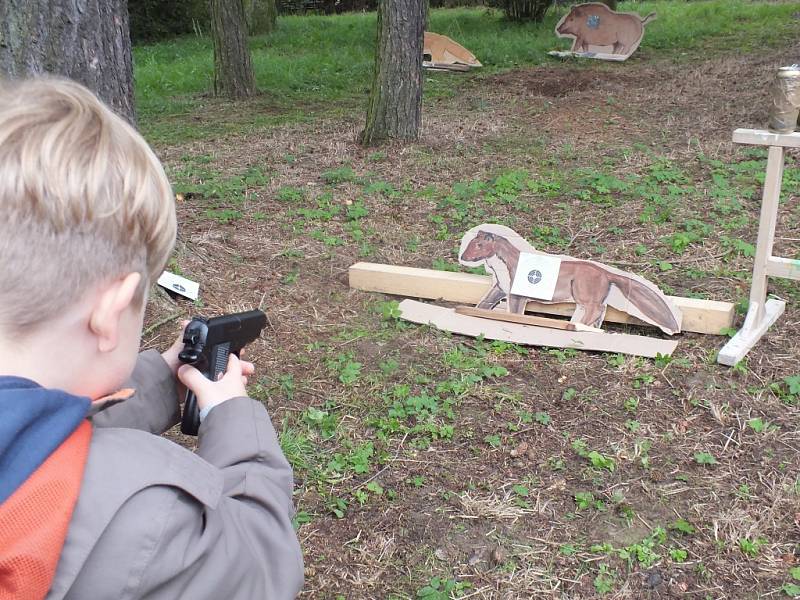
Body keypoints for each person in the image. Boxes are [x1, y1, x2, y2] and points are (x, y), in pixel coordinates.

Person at [0, 77, 304, 600]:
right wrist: (233, 418)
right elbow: (263, 565)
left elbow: (34, 429)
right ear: (111, 314)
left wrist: (165, 379)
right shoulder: (141, 507)